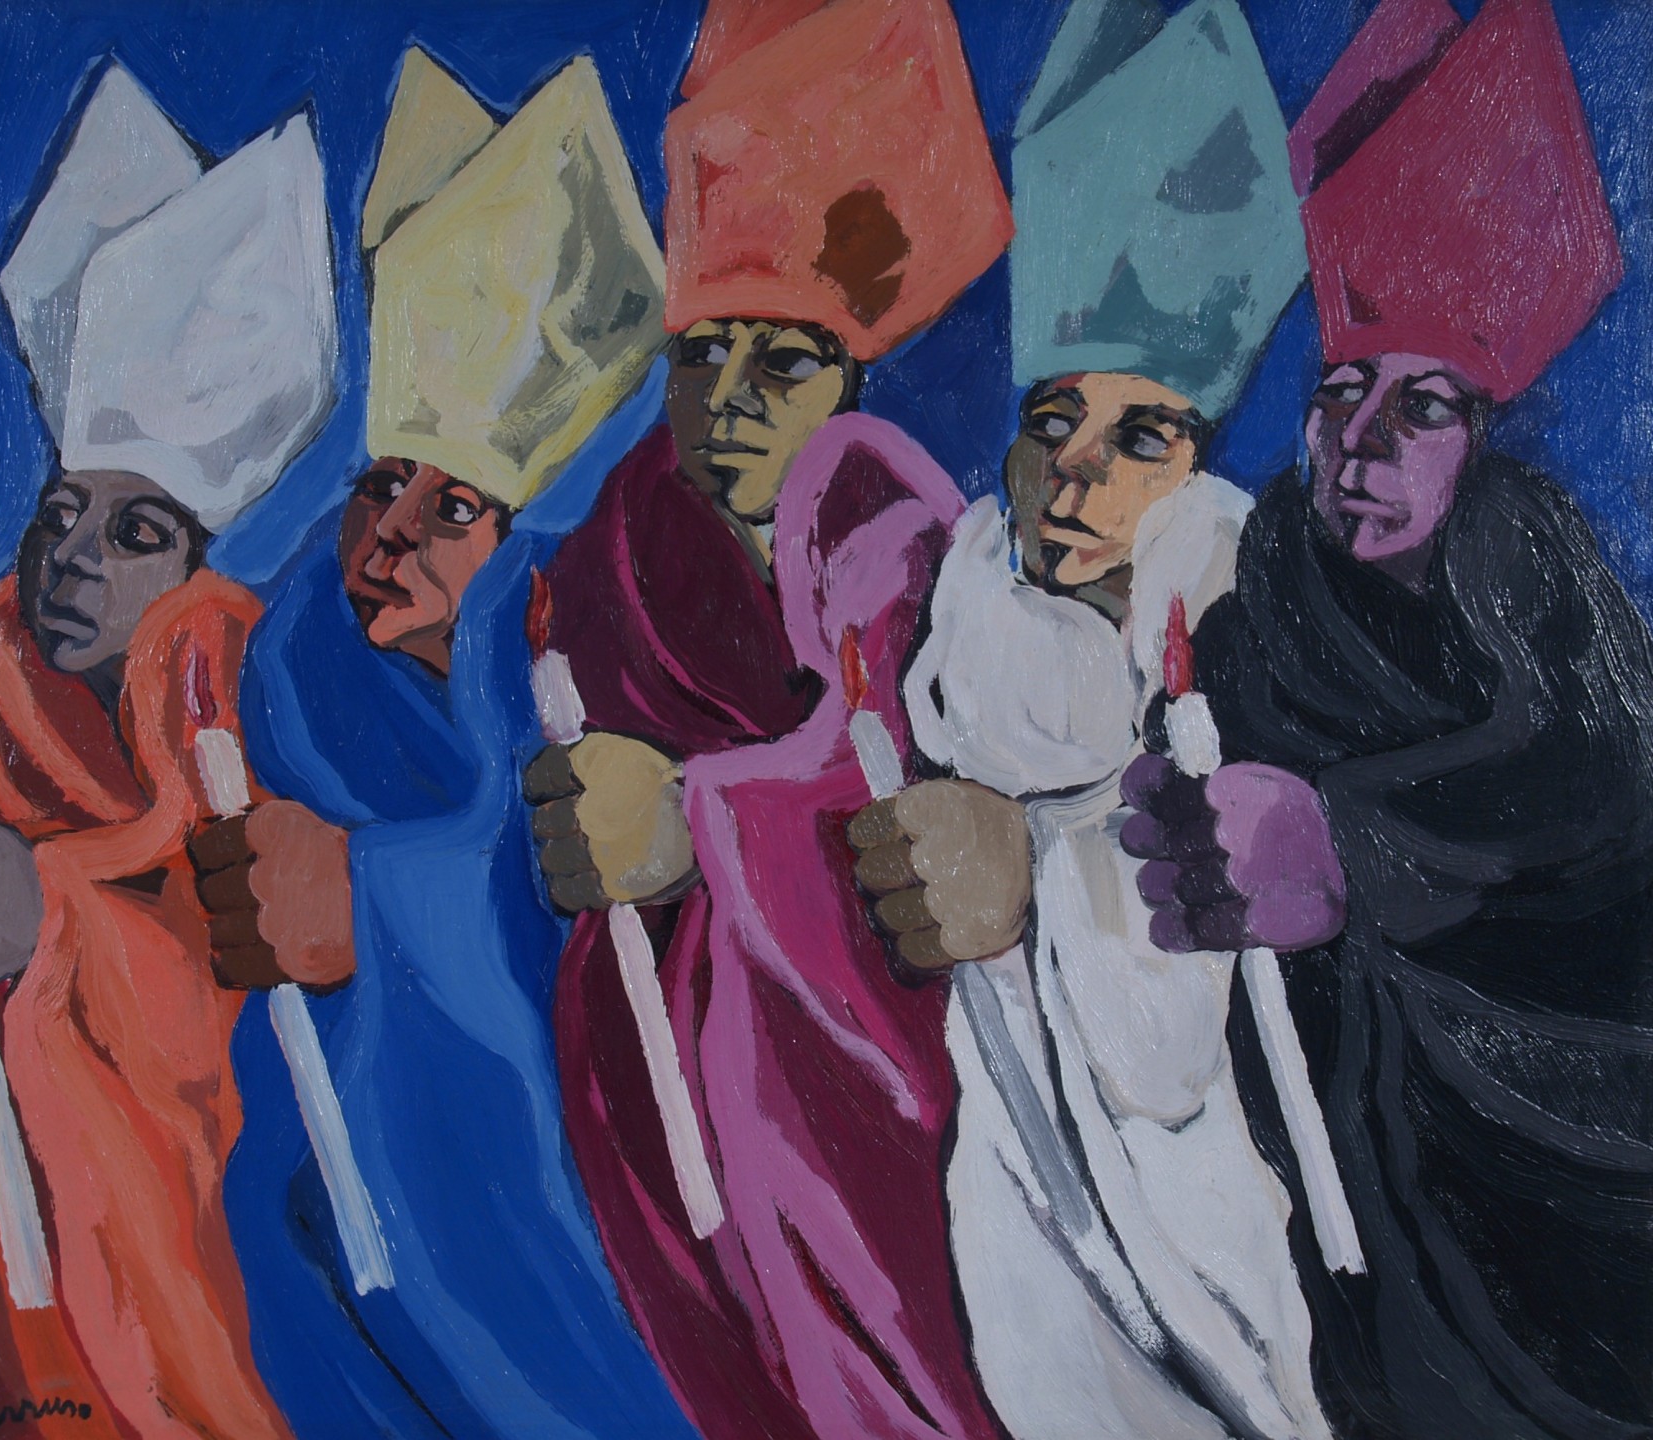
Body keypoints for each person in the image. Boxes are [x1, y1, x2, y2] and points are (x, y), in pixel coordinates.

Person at [1121, 1, 1653, 1434]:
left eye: (1418, 407)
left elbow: (1597, 783)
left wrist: (1349, 847)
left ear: (1481, 440)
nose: (1358, 441)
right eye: (1340, 392)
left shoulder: (1545, 581)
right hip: (1349, 1192)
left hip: (1581, 1187)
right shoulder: (1254, 624)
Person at [523, 1, 1013, 1435]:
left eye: (782, 361)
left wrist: (695, 828)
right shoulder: (609, 584)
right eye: (702, 355)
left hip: (910, 1182)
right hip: (689, 1167)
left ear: (853, 379)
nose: (728, 398)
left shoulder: (921, 572)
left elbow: (913, 813)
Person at [203, 51, 701, 1439]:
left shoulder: (600, 676)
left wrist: (365, 901)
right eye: (383, 483)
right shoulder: (295, 695)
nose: (390, 535)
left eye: (456, 506)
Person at [849, 3, 1328, 1436]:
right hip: (1031, 1246)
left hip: (1246, 1243)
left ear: (1198, 460)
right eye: (1052, 420)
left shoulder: (1269, 640)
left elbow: (1217, 1038)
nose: (1072, 471)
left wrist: (1050, 882)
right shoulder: (958, 646)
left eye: (1140, 437)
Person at [0, 64, 336, 1438]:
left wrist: (39, 912)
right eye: (60, 514)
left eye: (133, 532)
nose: (73, 557)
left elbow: (228, 968)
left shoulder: (256, 702)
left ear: (193, 564)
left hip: (216, 1282)